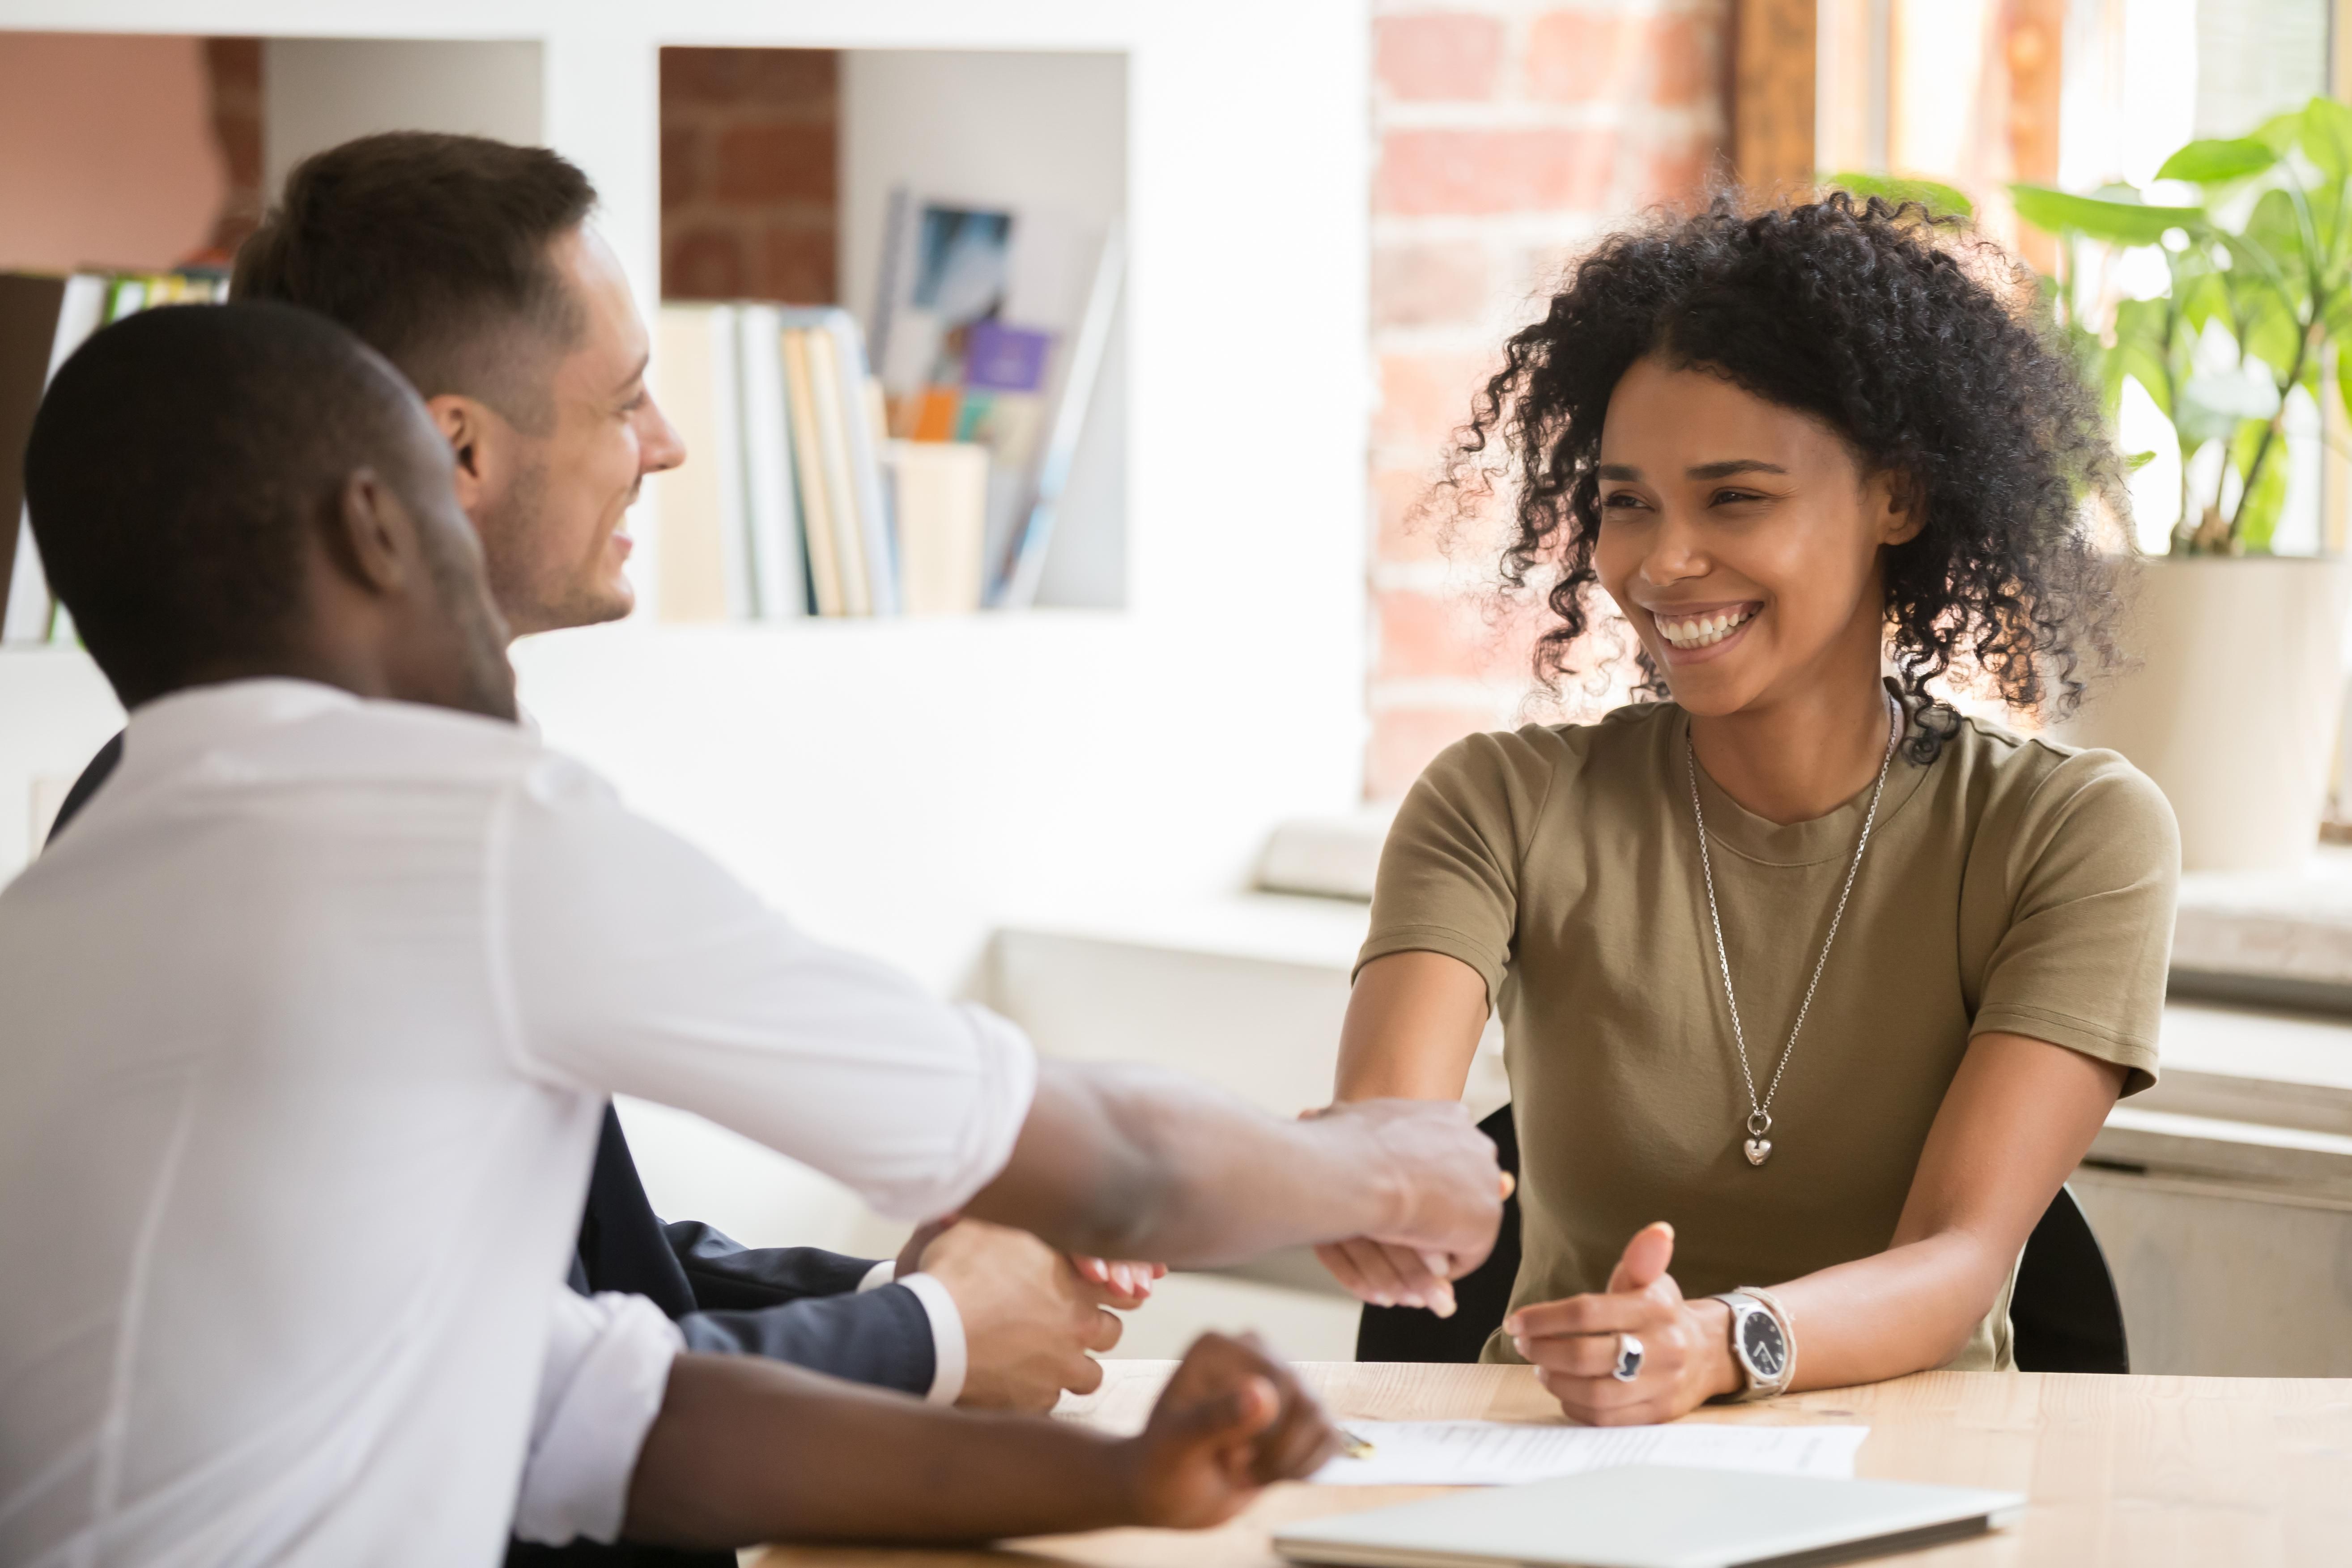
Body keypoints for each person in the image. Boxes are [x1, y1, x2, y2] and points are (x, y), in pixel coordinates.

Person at [0, 302, 1503, 1563]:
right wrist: (1385, 1162)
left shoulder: (52, 920)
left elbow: (596, 1418)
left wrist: (1120, 1480)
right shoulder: (457, 824)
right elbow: (1111, 1159)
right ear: (379, 524)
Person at [39, 131, 1178, 1426]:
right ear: (455, 455)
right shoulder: (391, 843)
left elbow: (585, 1281)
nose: (671, 442)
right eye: (627, 395)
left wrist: (906, 1287)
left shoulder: (189, 787)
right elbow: (527, 1422)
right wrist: (933, 1336)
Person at [1320, 193, 2179, 1425]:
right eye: (1625, 501)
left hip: (1922, 1466)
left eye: (1733, 499)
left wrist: (1722, 1341)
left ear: (1896, 497)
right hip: (1559, 1472)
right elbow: (1390, 1127)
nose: (1661, 562)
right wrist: (1362, 1181)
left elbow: (1959, 1256)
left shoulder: (2067, 833)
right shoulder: (1495, 807)